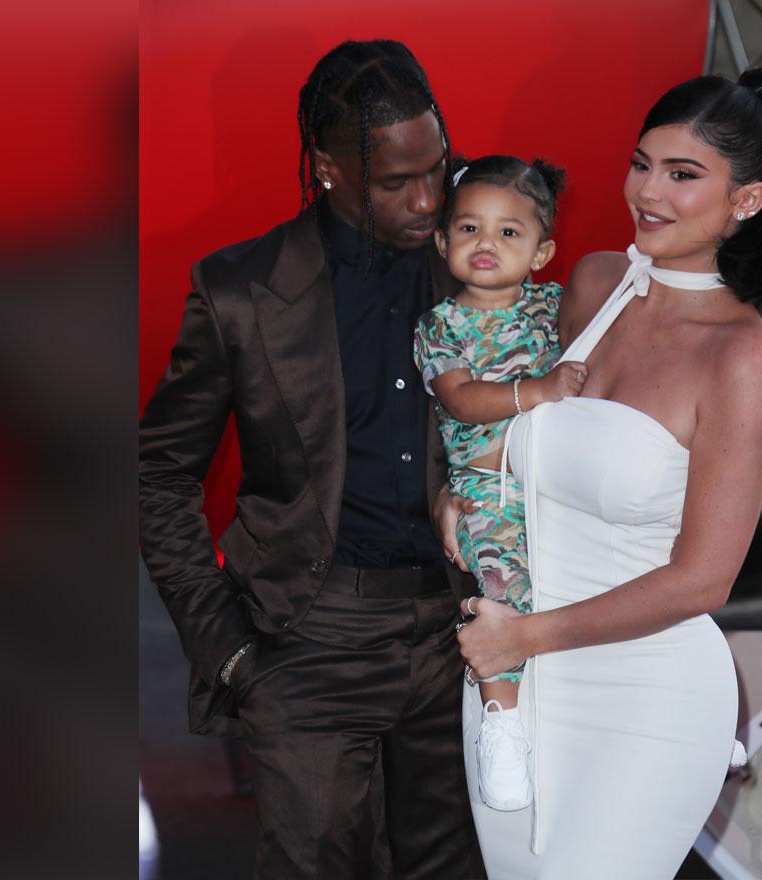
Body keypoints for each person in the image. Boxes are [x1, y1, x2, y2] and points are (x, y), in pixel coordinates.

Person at [445, 69, 762, 878]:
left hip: (642, 696)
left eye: (683, 174)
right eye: (642, 163)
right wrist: (469, 494)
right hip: (510, 691)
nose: (648, 192)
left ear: (749, 201)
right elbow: (508, 428)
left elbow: (702, 579)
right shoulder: (592, 285)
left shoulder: (744, 361)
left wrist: (524, 635)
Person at [139, 39, 486, 879]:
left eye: (438, 168)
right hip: (312, 638)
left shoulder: (478, 263)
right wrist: (222, 644)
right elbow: (158, 475)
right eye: (397, 182)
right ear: (326, 169)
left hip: (467, 636)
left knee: (461, 866)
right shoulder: (240, 291)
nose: (428, 198)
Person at [412, 155, 586, 812]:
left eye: (509, 232)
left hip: (564, 488)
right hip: (491, 493)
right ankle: (502, 722)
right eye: (469, 230)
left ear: (542, 249)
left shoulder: (554, 304)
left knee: (603, 589)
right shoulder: (441, 327)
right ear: (442, 242)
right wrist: (535, 390)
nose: (486, 244)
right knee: (503, 597)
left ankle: (653, 705)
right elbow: (461, 399)